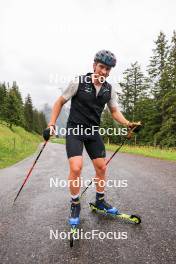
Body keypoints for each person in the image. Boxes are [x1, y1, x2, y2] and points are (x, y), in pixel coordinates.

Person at [44, 50, 138, 226]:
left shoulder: (109, 90)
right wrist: (51, 124)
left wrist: (127, 124)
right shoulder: (78, 82)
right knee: (76, 167)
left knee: (101, 167)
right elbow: (59, 102)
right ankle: (75, 204)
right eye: (101, 67)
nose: (104, 71)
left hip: (93, 131)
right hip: (75, 130)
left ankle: (100, 201)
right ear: (94, 65)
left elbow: (115, 111)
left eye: (108, 69)